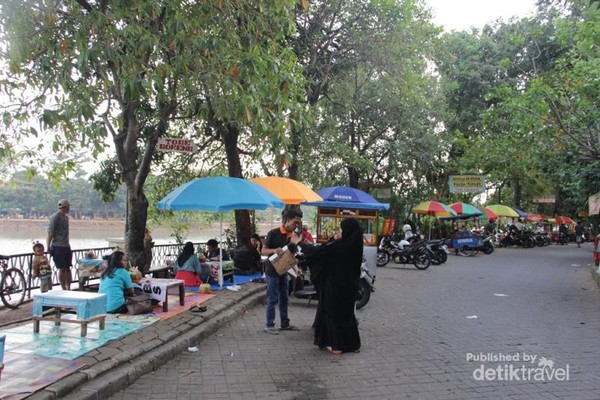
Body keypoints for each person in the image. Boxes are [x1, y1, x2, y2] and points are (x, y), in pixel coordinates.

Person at [305, 218, 362, 355]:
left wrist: (299, 243)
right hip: (350, 286)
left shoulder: (339, 247)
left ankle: (336, 345)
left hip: (335, 286)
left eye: (342, 230)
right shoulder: (356, 245)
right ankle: (353, 345)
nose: (340, 232)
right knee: (348, 316)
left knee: (332, 314)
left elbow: (318, 252)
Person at [261, 209, 303, 334]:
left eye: (298, 223)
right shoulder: (273, 233)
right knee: (272, 298)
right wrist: (274, 250)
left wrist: (296, 269)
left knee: (284, 298)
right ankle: (269, 325)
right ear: (288, 220)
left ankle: (285, 323)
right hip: (272, 271)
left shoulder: (293, 237)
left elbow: (291, 255)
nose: (296, 226)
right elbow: (263, 251)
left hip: (284, 271)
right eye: (295, 223)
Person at [46, 199, 72, 290]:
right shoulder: (55, 217)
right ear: (65, 207)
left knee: (68, 267)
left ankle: (68, 287)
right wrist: (48, 246)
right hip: (58, 246)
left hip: (66, 246)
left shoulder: (66, 218)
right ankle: (63, 288)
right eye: (68, 206)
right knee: (62, 268)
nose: (69, 208)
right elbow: (50, 233)